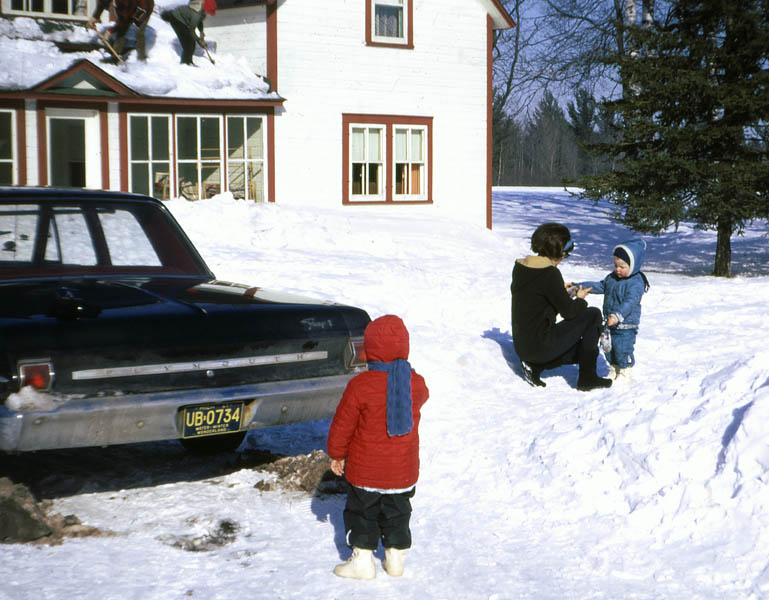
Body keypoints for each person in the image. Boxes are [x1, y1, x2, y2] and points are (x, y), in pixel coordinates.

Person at [327, 314, 429, 580]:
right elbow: (424, 394)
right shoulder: (415, 383)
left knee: (362, 513)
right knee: (398, 513)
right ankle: (395, 559)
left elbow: (343, 425)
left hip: (366, 472)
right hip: (402, 472)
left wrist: (337, 454)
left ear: (370, 349)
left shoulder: (360, 386)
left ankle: (362, 562)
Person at [510, 222, 612, 391]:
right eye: (565, 254)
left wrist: (560, 293)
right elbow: (570, 312)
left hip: (523, 346)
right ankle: (587, 378)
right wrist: (580, 298)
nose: (564, 258)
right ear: (559, 253)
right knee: (593, 314)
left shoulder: (521, 267)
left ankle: (534, 366)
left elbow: (537, 300)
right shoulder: (550, 274)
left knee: (582, 350)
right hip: (539, 346)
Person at [573, 239, 649, 382]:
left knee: (622, 348)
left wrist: (617, 315)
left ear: (633, 266)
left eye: (622, 266)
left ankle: (625, 371)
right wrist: (578, 287)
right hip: (609, 322)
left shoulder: (636, 282)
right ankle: (614, 369)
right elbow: (600, 286)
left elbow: (630, 302)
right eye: (615, 265)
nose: (617, 269)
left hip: (625, 324)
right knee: (608, 348)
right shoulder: (612, 278)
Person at [87, 0, 153, 61]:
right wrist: (95, 17)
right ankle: (116, 53)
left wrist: (110, 31)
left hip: (145, 7)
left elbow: (124, 22)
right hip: (127, 7)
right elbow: (103, 3)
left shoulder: (126, 4)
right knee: (121, 26)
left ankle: (140, 57)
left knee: (138, 31)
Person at [161, 0, 216, 65]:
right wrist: (199, 41)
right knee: (188, 43)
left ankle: (189, 62)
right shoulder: (196, 14)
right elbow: (191, 30)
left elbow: (199, 21)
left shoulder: (201, 11)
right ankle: (185, 63)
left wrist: (201, 32)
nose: (209, 13)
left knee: (191, 42)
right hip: (176, 19)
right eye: (209, 11)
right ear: (206, 8)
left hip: (183, 18)